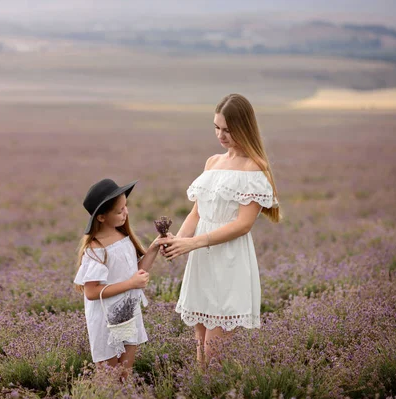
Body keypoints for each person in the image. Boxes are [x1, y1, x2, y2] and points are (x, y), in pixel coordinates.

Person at [157, 94, 281, 366]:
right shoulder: (212, 162)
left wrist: (194, 243)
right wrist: (178, 241)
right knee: (200, 348)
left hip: (229, 261)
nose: (220, 135)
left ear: (245, 127)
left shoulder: (254, 167)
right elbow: (197, 212)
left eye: (228, 129)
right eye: (216, 128)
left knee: (214, 355)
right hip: (202, 260)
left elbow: (243, 225)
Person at [74, 178, 161, 378]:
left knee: (125, 374)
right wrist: (131, 284)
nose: (126, 213)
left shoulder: (124, 239)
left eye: (126, 207)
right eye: (119, 211)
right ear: (102, 217)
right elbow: (91, 292)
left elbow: (137, 272)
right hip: (105, 321)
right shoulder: (96, 249)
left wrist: (154, 248)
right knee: (109, 378)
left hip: (129, 314)